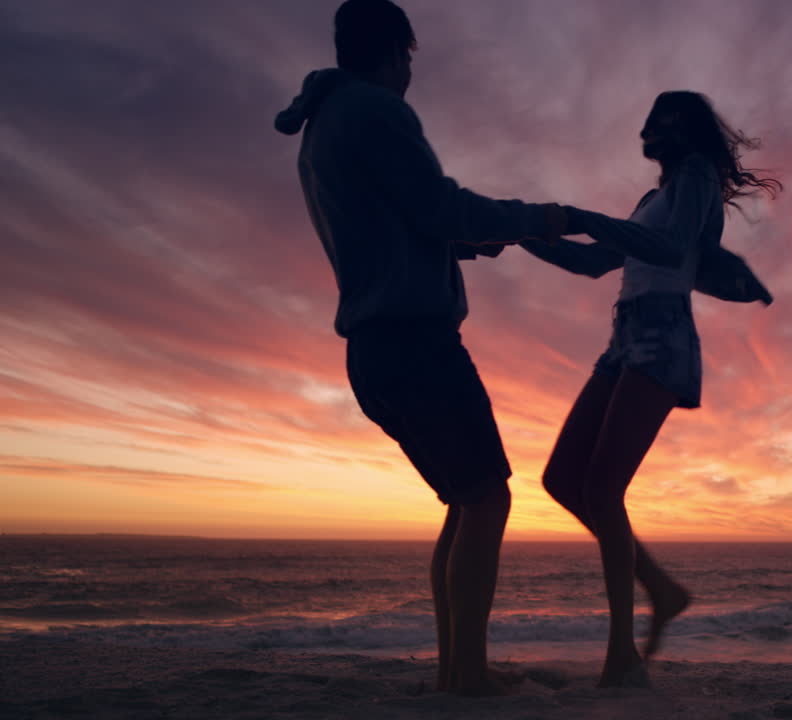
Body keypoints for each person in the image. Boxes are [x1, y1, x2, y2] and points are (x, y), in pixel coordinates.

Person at [272, 0, 611, 697]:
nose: (410, 73)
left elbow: (399, 221)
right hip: (415, 341)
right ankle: (468, 676)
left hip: (374, 347)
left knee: (465, 499)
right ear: (398, 51)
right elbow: (441, 204)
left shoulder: (323, 126)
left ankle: (458, 667)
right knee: (488, 500)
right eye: (410, 59)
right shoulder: (375, 110)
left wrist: (460, 243)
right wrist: (540, 218)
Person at [520, 90, 780, 687]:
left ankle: (622, 657)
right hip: (623, 335)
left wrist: (581, 216)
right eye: (652, 116)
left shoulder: (696, 180)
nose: (653, 126)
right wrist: (520, 230)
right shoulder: (649, 198)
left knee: (603, 489)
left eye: (667, 117)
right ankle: (661, 589)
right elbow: (591, 264)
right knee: (562, 480)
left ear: (686, 130)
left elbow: (669, 248)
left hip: (664, 335)